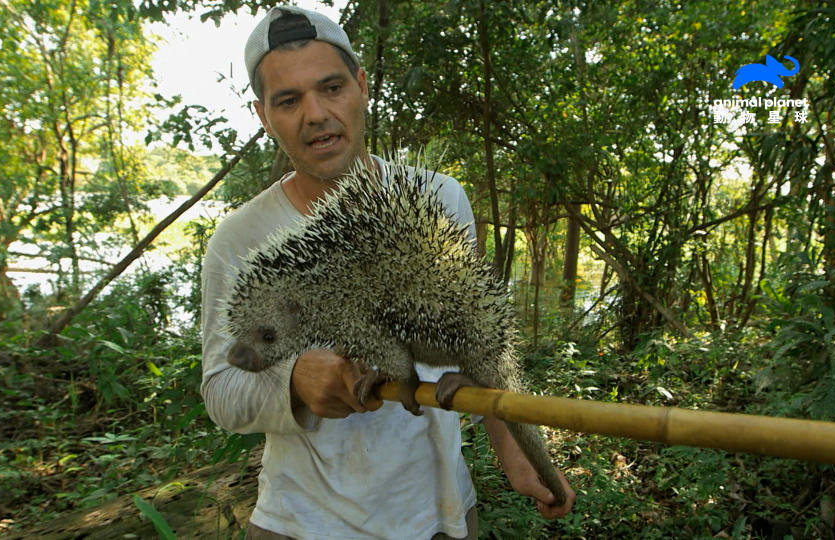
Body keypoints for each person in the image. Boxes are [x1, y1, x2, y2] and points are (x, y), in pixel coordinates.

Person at [200, 6, 575, 539]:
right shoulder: (238, 238)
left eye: (330, 88)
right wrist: (293, 381)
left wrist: (515, 452)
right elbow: (221, 388)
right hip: (304, 522)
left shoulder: (443, 198)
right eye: (288, 100)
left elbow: (479, 336)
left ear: (361, 86)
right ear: (264, 115)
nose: (315, 113)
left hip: (440, 511)